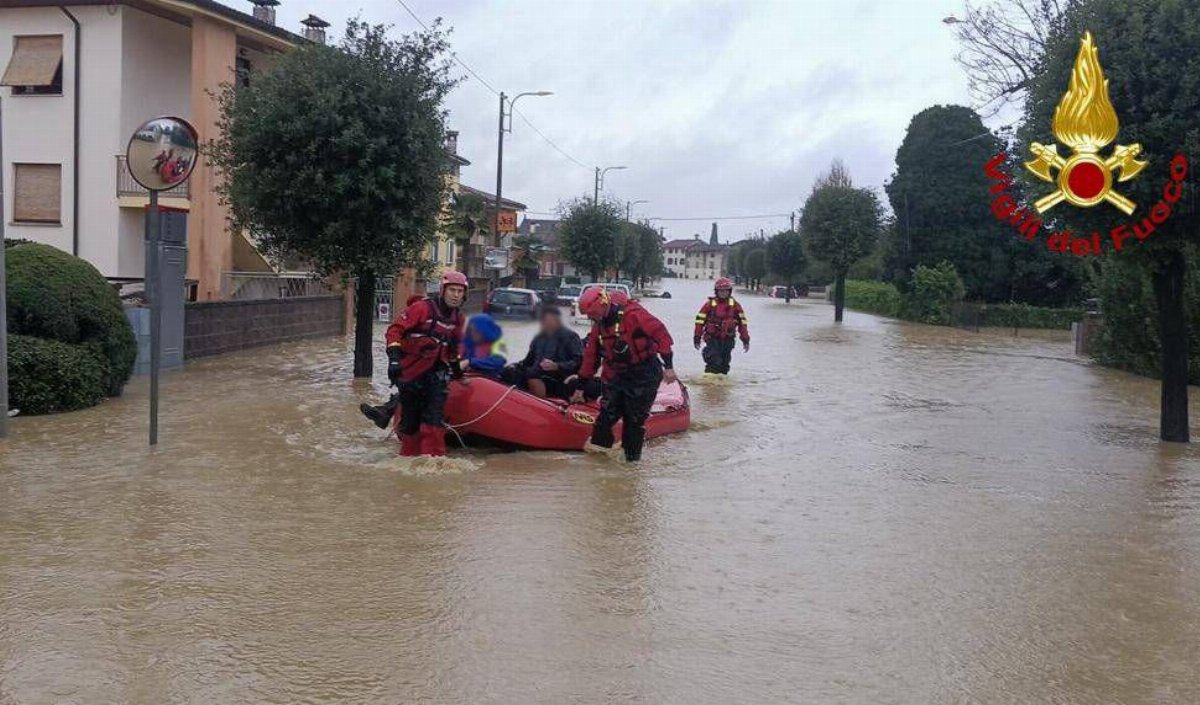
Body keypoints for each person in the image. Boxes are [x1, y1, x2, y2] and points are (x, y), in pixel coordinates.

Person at [358, 271, 467, 457]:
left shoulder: (458, 319)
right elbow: (395, 331)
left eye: (460, 291)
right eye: (452, 290)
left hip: (436, 374)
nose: (456, 295)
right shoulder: (422, 309)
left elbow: (453, 349)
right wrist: (393, 359)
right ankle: (409, 459)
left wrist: (457, 371)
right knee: (409, 424)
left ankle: (433, 461)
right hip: (412, 373)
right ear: (443, 291)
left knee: (433, 421)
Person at [569, 287, 676, 462]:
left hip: (644, 373)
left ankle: (631, 465)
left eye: (591, 314)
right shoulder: (599, 327)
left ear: (601, 308)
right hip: (617, 375)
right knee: (604, 420)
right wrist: (580, 387)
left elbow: (661, 335)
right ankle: (599, 463)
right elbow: (591, 357)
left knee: (633, 422)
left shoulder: (634, 315)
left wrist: (669, 366)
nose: (590, 319)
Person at [503, 306, 583, 399]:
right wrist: (515, 365)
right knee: (510, 372)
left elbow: (578, 361)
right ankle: (514, 402)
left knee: (532, 373)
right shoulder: (538, 338)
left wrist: (557, 366)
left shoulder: (571, 337)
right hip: (537, 371)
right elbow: (528, 360)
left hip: (559, 375)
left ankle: (541, 404)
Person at [693, 277, 750, 375]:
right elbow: (699, 322)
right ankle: (709, 386)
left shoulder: (736, 306)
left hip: (728, 340)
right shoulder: (709, 305)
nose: (723, 293)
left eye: (725, 291)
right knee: (714, 361)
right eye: (721, 291)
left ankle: (720, 388)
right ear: (716, 291)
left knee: (724, 365)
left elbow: (742, 324)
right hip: (712, 339)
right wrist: (697, 337)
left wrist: (745, 340)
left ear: (729, 291)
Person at [461, 314, 507, 379]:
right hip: (470, 377)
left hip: (491, 379)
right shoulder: (468, 341)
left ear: (485, 331)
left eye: (476, 331)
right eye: (471, 330)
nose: (473, 333)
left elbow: (499, 361)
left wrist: (470, 362)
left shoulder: (499, 343)